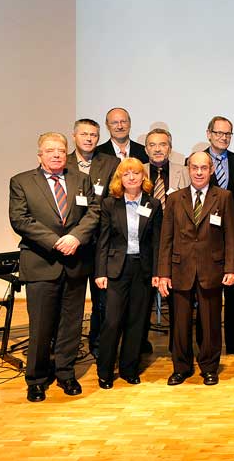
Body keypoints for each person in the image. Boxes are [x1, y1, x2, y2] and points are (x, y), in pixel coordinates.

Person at [9, 132, 100, 402]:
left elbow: (93, 212)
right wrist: (56, 241)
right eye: (50, 150)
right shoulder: (22, 181)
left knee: (70, 324)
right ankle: (36, 379)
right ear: (40, 155)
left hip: (74, 262)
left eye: (61, 150)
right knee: (41, 326)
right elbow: (20, 219)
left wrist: (76, 237)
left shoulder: (81, 180)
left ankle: (65, 372)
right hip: (41, 263)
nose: (57, 154)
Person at [156, 151, 234, 386]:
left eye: (204, 168)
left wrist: (231, 268)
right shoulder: (174, 199)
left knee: (211, 322)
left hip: (212, 269)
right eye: (195, 168)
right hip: (180, 269)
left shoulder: (223, 197)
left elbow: (231, 236)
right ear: (188, 170)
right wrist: (163, 273)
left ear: (211, 170)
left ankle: (209, 367)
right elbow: (166, 239)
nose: (199, 172)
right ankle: (181, 367)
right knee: (179, 323)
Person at [94, 158, 162, 388]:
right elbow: (102, 241)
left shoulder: (153, 204)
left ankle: (129, 368)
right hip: (115, 270)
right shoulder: (109, 204)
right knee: (112, 321)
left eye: (136, 173)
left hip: (142, 269)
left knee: (137, 321)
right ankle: (104, 371)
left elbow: (156, 243)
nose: (131, 177)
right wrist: (100, 272)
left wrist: (156, 272)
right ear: (119, 179)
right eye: (126, 174)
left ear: (144, 177)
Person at [66, 118, 120, 357]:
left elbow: (112, 202)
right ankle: (67, 347)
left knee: (103, 302)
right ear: (74, 136)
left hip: (101, 243)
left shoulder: (111, 163)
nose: (89, 139)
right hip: (70, 244)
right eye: (84, 134)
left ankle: (99, 346)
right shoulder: (62, 162)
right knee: (71, 303)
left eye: (94, 135)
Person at [202, 116, 234, 358]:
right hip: (204, 237)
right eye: (218, 133)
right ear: (208, 133)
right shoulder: (196, 161)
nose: (223, 137)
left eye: (228, 134)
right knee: (205, 296)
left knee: (233, 293)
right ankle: (206, 345)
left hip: (231, 234)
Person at [142, 127, 190, 352]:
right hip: (145, 245)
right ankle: (140, 343)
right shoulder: (136, 171)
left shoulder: (186, 171)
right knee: (142, 300)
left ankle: (177, 347)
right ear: (146, 149)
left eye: (162, 144)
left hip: (178, 244)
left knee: (178, 301)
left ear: (170, 148)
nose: (158, 149)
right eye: (152, 145)